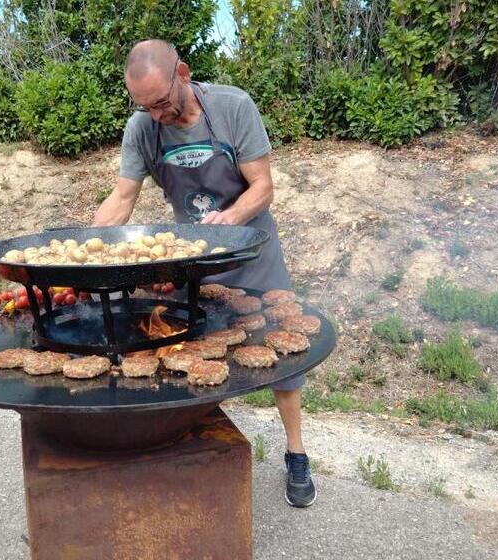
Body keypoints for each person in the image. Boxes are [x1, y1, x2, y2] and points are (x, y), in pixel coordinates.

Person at [93, 40, 316, 507]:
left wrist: (229, 220)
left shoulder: (233, 107)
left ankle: (296, 451)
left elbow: (263, 187)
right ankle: (195, 456)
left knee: (282, 355)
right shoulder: (142, 128)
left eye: (160, 102)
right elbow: (122, 197)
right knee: (192, 353)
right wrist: (89, 247)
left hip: (253, 251)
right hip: (195, 262)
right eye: (143, 106)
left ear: (184, 74)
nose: (155, 115)